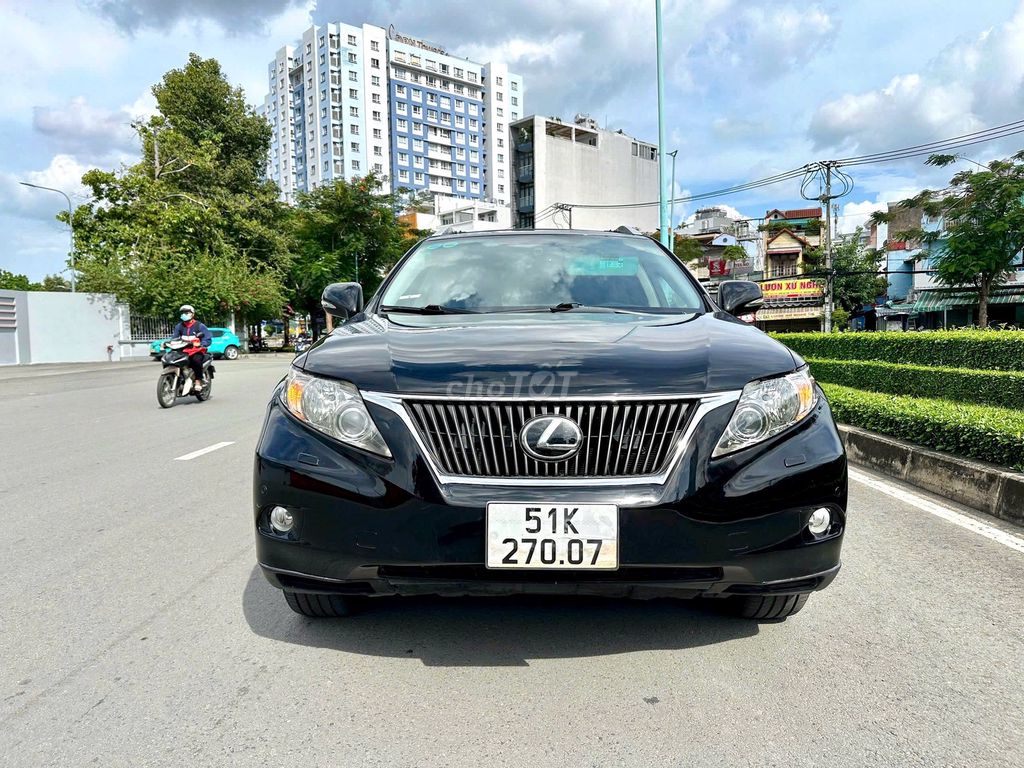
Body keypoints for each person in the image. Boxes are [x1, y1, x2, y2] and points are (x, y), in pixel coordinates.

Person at [172, 304, 212, 391]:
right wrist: (168, 344)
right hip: (183, 351)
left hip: (196, 350)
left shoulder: (200, 326)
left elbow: (208, 339)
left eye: (187, 313)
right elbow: (174, 338)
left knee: (196, 360)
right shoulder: (179, 326)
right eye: (182, 313)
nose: (184, 315)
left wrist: (201, 344)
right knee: (171, 359)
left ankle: (198, 380)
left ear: (192, 314)